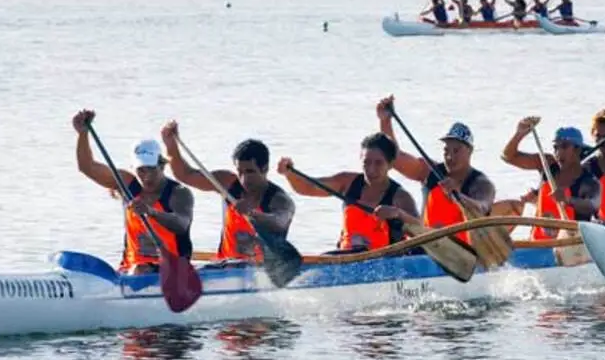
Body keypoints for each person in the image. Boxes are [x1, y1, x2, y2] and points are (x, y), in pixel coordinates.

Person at [72, 110, 194, 275]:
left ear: (162, 165)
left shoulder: (179, 192)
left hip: (173, 270)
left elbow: (181, 225)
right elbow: (87, 167)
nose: (147, 176)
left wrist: (151, 212)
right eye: (141, 170)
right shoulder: (126, 184)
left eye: (151, 169)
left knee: (139, 269)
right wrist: (83, 134)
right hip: (130, 269)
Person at [161, 122, 295, 262]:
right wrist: (171, 145)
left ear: (265, 169)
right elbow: (185, 175)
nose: (244, 179)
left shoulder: (280, 199)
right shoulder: (228, 183)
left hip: (263, 269)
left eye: (250, 172)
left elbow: (279, 222)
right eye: (240, 171)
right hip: (225, 266)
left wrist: (252, 213)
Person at [376, 95, 497, 245]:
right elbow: (395, 159)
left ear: (470, 151)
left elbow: (482, 208)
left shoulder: (482, 183)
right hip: (427, 244)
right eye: (446, 150)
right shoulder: (429, 171)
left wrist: (458, 195)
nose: (450, 156)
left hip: (462, 250)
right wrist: (385, 121)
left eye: (456, 150)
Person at [277, 133, 420, 253]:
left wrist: (398, 214)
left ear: (390, 164)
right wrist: (290, 174)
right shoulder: (347, 182)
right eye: (366, 162)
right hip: (347, 257)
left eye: (378, 163)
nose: (371, 169)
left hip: (387, 261)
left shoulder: (401, 197)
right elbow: (308, 188)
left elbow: (422, 233)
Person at [501, 117, 601, 240]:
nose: (558, 153)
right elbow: (508, 157)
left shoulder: (589, 181)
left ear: (578, 149)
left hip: (571, 243)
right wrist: (519, 134)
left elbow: (593, 205)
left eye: (564, 146)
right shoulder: (547, 164)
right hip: (537, 242)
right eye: (555, 147)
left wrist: (567, 200)